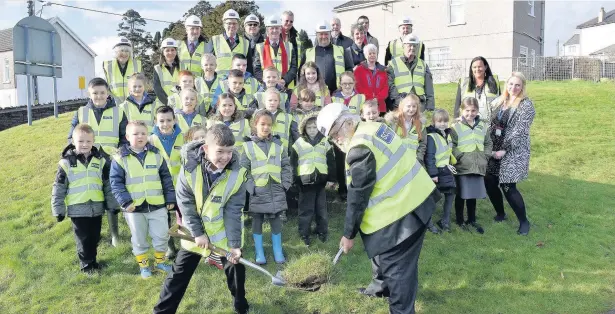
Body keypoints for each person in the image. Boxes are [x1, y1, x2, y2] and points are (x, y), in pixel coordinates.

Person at [316, 103, 437, 313]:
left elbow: (358, 196)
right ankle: (380, 288)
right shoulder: (373, 127)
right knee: (383, 259)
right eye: (332, 137)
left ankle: (401, 309)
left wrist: (348, 234)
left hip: (402, 216)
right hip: (416, 198)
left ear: (346, 122)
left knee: (398, 271)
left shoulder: (360, 149)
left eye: (336, 133)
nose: (336, 140)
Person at [153, 124, 249, 314]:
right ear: (206, 149)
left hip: (224, 236)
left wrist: (235, 244)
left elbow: (233, 210)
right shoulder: (189, 169)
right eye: (220, 151)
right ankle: (162, 311)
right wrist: (198, 233)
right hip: (193, 234)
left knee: (236, 271)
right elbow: (185, 204)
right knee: (178, 276)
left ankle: (241, 305)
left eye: (229, 152)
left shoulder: (238, 174)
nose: (225, 157)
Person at [110, 121, 176, 278]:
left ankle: (160, 262)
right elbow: (116, 183)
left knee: (161, 235)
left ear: (148, 135)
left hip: (157, 204)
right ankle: (144, 266)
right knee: (139, 238)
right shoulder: (120, 158)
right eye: (135, 134)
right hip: (134, 208)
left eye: (143, 133)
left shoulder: (157, 155)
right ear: (127, 137)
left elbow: (166, 179)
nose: (140, 136)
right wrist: (125, 202)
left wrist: (169, 199)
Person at [52, 124, 119, 273]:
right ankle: (86, 265)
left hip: (96, 207)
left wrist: (112, 205)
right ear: (73, 141)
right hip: (78, 209)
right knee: (83, 239)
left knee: (94, 237)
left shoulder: (100, 161)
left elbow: (108, 185)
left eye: (88, 141)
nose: (85, 145)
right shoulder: (66, 163)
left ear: (93, 141)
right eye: (81, 141)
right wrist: (58, 209)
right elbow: (59, 187)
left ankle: (93, 262)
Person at [68, 78, 127, 247]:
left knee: (111, 195)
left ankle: (114, 234)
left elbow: (125, 137)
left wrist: (120, 153)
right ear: (89, 94)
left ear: (108, 93)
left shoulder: (119, 111)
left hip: (111, 160)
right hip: (88, 160)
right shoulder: (80, 112)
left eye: (102, 92)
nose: (99, 96)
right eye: (95, 93)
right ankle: (96, 233)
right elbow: (71, 137)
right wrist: (76, 155)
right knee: (93, 194)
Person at [485, 72, 535, 236]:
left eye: (517, 85)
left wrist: (505, 149)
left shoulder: (526, 105)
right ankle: (500, 213)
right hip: (494, 147)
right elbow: (487, 120)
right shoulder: (499, 101)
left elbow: (520, 131)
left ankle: (524, 222)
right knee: (490, 182)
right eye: (511, 84)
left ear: (522, 87)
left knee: (508, 186)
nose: (513, 88)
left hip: (512, 150)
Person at [241, 110, 292, 265]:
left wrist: (286, 184)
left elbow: (286, 165)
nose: (266, 127)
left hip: (276, 188)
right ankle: (259, 251)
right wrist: (251, 188)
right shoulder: (248, 146)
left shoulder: (278, 145)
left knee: (276, 219)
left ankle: (277, 250)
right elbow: (244, 169)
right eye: (262, 124)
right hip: (258, 190)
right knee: (257, 220)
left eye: (269, 124)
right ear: (255, 124)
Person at [290, 112, 336, 246]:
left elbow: (331, 161)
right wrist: (295, 180)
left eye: (315, 127)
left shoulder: (325, 142)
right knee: (306, 210)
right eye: (309, 128)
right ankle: (304, 233)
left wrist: (331, 179)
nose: (312, 130)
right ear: (304, 129)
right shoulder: (298, 144)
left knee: (321, 210)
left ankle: (322, 231)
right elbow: (293, 164)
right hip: (305, 183)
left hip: (321, 182)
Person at [450, 97, 492, 234]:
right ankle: (460, 219)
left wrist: (485, 156)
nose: (470, 113)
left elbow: (488, 143)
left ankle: (472, 219)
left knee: (473, 194)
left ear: (477, 111)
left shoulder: (482, 126)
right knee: (462, 194)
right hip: (463, 165)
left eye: (473, 110)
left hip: (478, 165)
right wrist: (459, 156)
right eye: (467, 110)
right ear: (462, 110)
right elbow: (452, 145)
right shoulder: (455, 127)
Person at [424, 109, 457, 232]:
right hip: (437, 171)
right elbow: (430, 156)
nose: (443, 124)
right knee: (433, 198)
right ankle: (428, 222)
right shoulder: (432, 136)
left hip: (446, 170)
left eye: (445, 121)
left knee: (450, 194)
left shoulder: (446, 134)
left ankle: (445, 220)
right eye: (439, 121)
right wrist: (433, 174)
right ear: (433, 122)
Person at [301, 21, 354, 94]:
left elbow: (350, 71)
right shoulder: (307, 53)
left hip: (338, 93)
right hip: (314, 94)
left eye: (326, 34)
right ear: (316, 35)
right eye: (321, 34)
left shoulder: (342, 50)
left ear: (330, 34)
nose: (324, 36)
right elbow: (301, 74)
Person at [387, 34, 434, 112]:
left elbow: (429, 88)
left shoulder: (423, 64)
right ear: (403, 46)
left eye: (415, 46)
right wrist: (400, 100)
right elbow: (390, 85)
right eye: (409, 45)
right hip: (400, 104)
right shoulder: (393, 64)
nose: (412, 48)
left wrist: (430, 107)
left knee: (418, 124)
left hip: (420, 105)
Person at [253, 16, 298, 91]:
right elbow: (256, 69)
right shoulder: (259, 47)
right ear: (267, 31)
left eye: (277, 28)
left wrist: (284, 80)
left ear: (280, 30)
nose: (274, 30)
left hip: (285, 87)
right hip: (266, 87)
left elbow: (294, 67)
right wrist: (267, 81)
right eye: (271, 28)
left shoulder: (289, 46)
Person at [205, 9, 253, 78]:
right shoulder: (214, 40)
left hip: (238, 83)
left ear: (238, 25)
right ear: (224, 24)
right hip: (219, 83)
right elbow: (207, 64)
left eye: (234, 23)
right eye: (229, 23)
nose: (232, 26)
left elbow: (249, 68)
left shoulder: (246, 43)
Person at [454, 56, 501, 121]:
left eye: (480, 66)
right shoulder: (463, 83)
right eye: (474, 67)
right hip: (468, 123)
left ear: (485, 67)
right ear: (471, 68)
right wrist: (456, 121)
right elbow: (457, 105)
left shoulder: (494, 82)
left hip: (489, 124)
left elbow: (500, 104)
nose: (477, 69)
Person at [384, 94, 427, 163]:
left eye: (414, 106)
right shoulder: (393, 122)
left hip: (414, 161)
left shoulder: (420, 124)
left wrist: (418, 158)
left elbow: (422, 143)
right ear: (402, 106)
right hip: (396, 161)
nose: (411, 109)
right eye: (408, 106)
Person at [103, 37, 142, 105]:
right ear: (115, 52)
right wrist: (113, 99)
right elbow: (104, 87)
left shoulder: (137, 65)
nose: (124, 53)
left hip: (133, 105)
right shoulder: (108, 66)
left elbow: (142, 85)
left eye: (127, 51)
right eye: (121, 50)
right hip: (113, 105)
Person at [354, 44, 389, 115]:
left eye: (374, 53)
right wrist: (370, 98)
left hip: (380, 106)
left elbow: (386, 88)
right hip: (365, 105)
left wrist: (377, 99)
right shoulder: (358, 70)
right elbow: (358, 87)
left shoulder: (383, 70)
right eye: (370, 53)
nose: (372, 55)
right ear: (365, 55)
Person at [154, 38, 180, 106]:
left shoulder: (183, 66)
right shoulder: (157, 68)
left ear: (176, 51)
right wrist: (168, 103)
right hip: (163, 105)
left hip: (180, 104)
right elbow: (158, 89)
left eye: (172, 50)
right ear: (163, 52)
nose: (170, 53)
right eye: (167, 50)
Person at [281, 11, 302, 87]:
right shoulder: (274, 35)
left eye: (291, 21)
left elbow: (297, 59)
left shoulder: (297, 36)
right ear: (281, 20)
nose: (289, 23)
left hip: (292, 76)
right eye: (286, 21)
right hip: (276, 77)